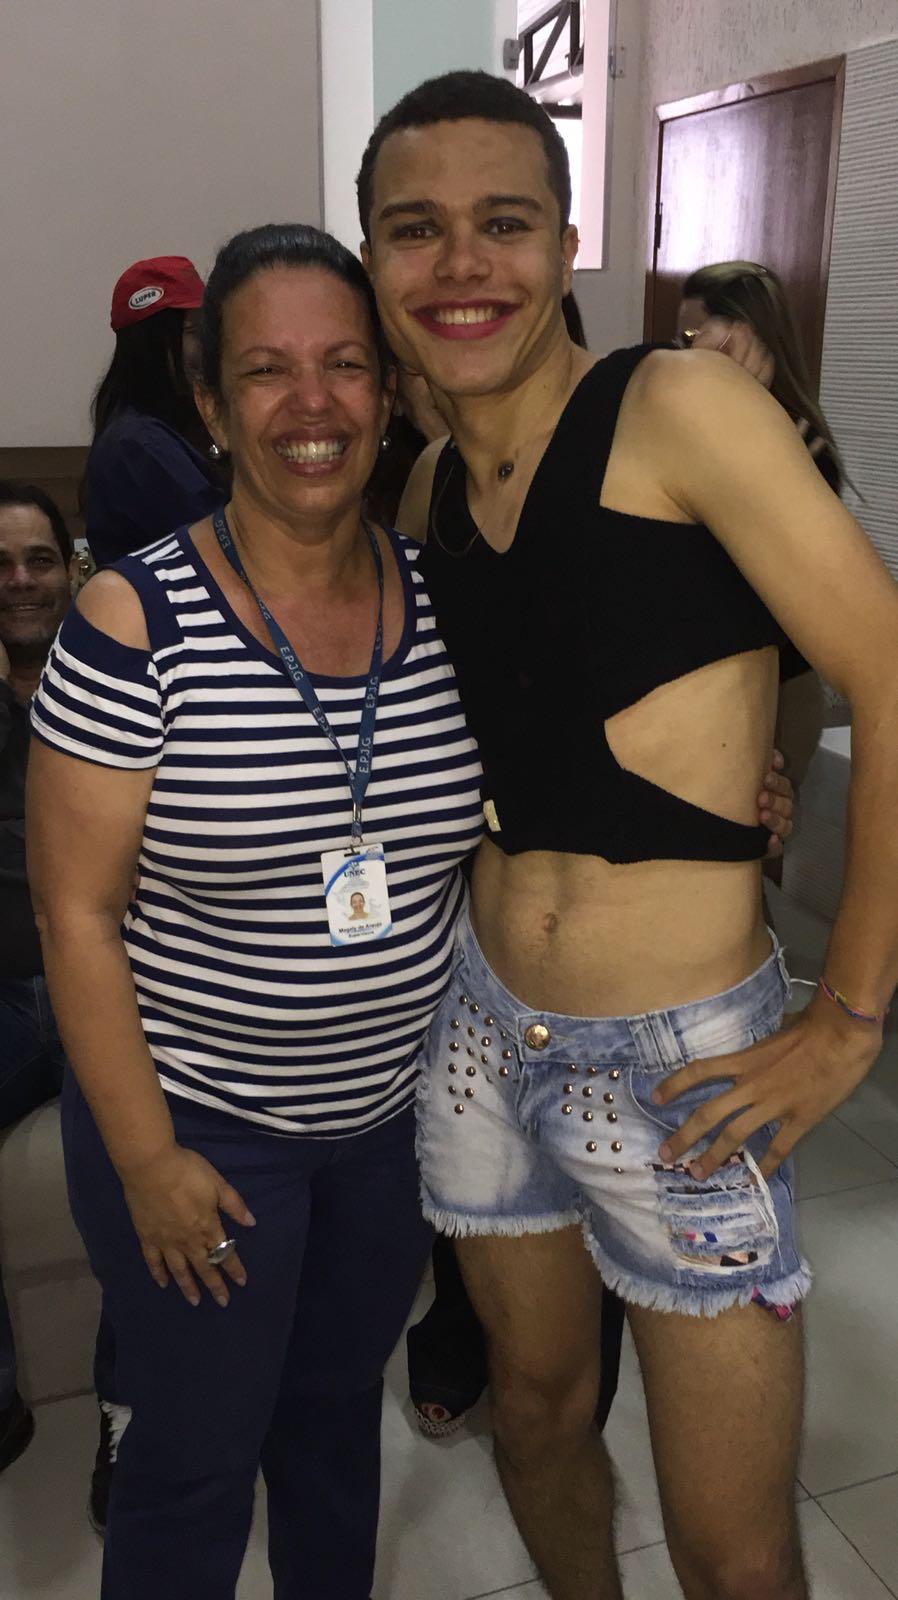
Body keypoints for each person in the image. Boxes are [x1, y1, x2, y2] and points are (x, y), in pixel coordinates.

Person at [359, 70, 898, 1600]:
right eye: (415, 229)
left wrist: (847, 1020)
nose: (461, 263)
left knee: (736, 1555)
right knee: (534, 1415)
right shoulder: (427, 488)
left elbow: (885, 669)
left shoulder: (680, 407)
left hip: (681, 1065)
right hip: (479, 1033)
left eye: (503, 222)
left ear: (565, 240)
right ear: (376, 257)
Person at [26, 222, 485, 1599]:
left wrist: (741, 782)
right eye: (267, 370)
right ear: (212, 406)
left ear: (389, 393)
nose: (311, 402)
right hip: (201, 1132)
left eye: (344, 363)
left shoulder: (445, 604)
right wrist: (148, 1160)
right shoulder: (134, 623)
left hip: (383, 1132)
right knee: (195, 1459)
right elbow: (74, 918)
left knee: (334, 1430)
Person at [405, 291, 628, 1442]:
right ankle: (474, 1350)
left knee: (603, 1245)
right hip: (475, 936)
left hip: (630, 958)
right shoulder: (430, 483)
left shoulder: (647, 437)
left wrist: (849, 1007)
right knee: (487, 1235)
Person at [676, 259, 850, 784]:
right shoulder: (712, 429)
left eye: (692, 335)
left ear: (742, 334)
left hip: (774, 692)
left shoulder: (799, 448)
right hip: (717, 689)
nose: (681, 352)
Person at [0, 484, 83, 1471]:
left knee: (148, 1153)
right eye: (0, 565)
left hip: (114, 979)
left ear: (71, 571)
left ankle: (129, 1410)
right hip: (9, 992)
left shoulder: (117, 677)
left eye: (38, 560)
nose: (19, 581)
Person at [84, 256, 224, 568]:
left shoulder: (161, 432)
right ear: (152, 345)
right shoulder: (138, 446)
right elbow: (224, 543)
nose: (209, 349)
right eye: (194, 332)